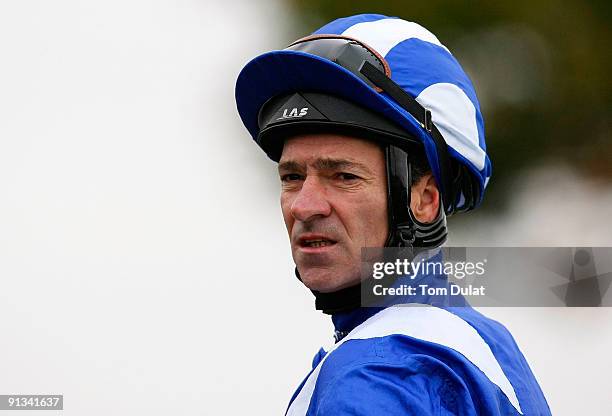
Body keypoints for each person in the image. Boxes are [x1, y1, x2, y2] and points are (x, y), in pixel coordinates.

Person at [235, 14, 551, 416]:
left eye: (343, 176)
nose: (304, 205)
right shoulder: (483, 345)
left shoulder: (374, 375)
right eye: (292, 176)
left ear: (424, 199)